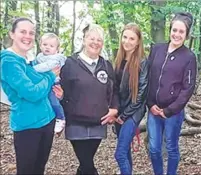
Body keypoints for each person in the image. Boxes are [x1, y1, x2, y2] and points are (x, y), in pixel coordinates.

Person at [0, 17, 60, 174]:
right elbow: (32, 93)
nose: (27, 36)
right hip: (28, 125)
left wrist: (57, 92)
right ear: (12, 34)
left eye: (31, 33)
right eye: (23, 32)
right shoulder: (9, 61)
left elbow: (42, 89)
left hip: (47, 121)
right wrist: (51, 76)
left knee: (39, 169)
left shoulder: (31, 61)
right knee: (27, 170)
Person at [60, 23, 118, 175]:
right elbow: (61, 91)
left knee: (85, 164)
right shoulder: (70, 63)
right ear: (84, 40)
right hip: (76, 123)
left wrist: (114, 108)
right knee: (87, 163)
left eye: (99, 40)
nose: (95, 42)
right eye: (92, 38)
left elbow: (114, 91)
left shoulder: (106, 65)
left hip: (98, 122)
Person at [147, 12, 197, 175]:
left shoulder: (189, 57)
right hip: (153, 109)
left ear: (186, 35)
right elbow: (147, 77)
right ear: (170, 30)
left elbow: (187, 88)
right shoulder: (157, 49)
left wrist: (169, 110)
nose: (177, 34)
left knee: (171, 147)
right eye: (174, 30)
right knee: (154, 149)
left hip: (173, 113)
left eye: (181, 32)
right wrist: (150, 104)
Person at [113, 23, 149, 174]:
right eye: (125, 37)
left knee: (119, 154)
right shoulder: (118, 59)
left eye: (132, 38)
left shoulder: (142, 61)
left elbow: (141, 94)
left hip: (133, 111)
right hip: (120, 111)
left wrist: (124, 115)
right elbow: (114, 88)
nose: (127, 41)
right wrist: (115, 111)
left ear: (138, 41)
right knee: (125, 150)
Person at [33, 33, 66, 134]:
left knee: (53, 100)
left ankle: (61, 118)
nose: (47, 47)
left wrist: (32, 70)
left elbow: (46, 67)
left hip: (54, 83)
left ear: (56, 49)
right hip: (44, 82)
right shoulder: (39, 57)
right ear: (40, 45)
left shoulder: (56, 58)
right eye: (45, 44)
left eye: (51, 46)